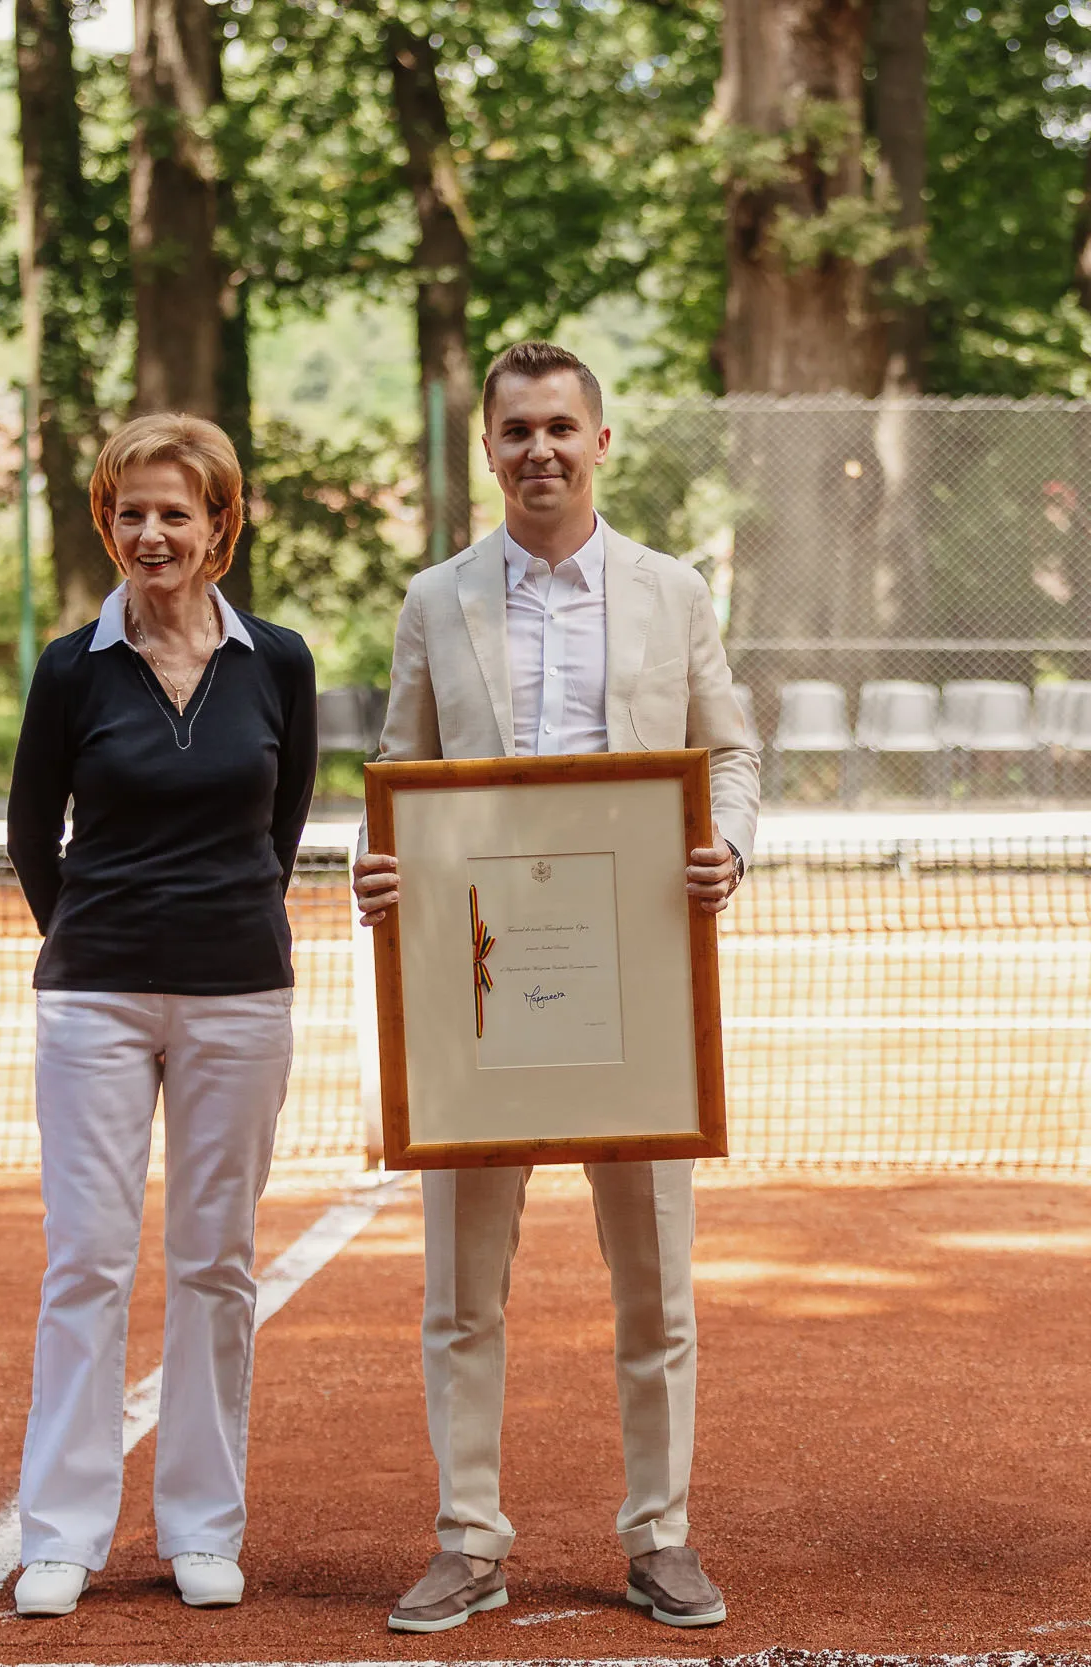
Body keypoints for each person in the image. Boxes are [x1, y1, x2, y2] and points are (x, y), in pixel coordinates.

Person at [349, 341, 759, 1635]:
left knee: (656, 1286)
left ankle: (660, 1534)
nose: (540, 450)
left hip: (641, 981)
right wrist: (376, 859)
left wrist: (725, 844)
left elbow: (729, 750)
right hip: (475, 989)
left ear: (599, 441)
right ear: (489, 448)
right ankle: (468, 1538)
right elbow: (399, 770)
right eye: (516, 430)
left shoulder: (671, 589)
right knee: (461, 1291)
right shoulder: (436, 599)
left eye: (560, 428)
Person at [3, 413, 318, 1619]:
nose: (151, 534)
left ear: (219, 525)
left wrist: (216, 924)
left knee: (216, 1262)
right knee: (85, 1258)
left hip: (241, 993)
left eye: (175, 513)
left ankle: (199, 1525)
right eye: (130, 512)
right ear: (106, 520)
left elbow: (279, 827)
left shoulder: (278, 661)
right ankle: (61, 1533)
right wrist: (96, 938)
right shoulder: (69, 667)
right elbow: (32, 832)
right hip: (95, 995)